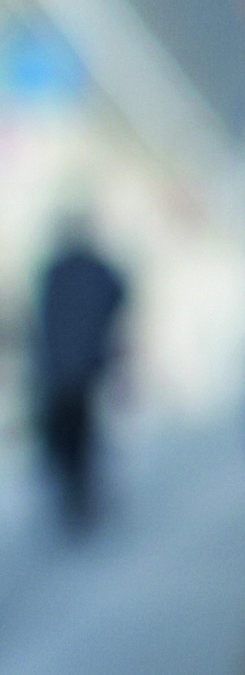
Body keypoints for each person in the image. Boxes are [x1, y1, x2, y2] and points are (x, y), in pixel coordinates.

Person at [27, 206, 125, 531]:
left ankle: (77, 501)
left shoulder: (55, 272)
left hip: (62, 369)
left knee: (71, 438)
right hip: (79, 367)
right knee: (77, 437)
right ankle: (80, 500)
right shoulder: (92, 270)